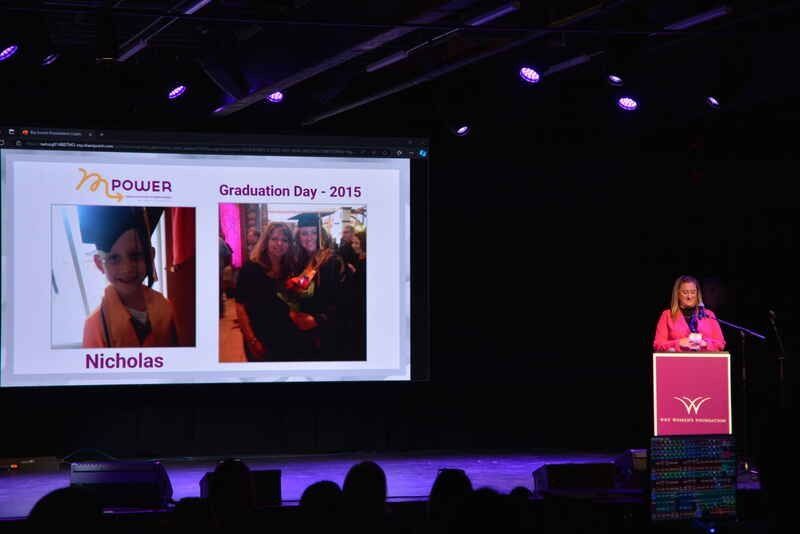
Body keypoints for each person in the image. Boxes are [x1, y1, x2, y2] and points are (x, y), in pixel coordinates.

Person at [78, 206, 179, 348]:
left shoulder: (165, 307)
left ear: (150, 256)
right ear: (100, 264)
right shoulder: (95, 326)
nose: (127, 268)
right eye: (113, 258)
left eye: (136, 255)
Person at [235, 222, 308, 361]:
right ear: (266, 240)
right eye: (274, 239)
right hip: (259, 336)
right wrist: (252, 340)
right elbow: (240, 306)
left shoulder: (290, 268)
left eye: (285, 240)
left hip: (285, 336)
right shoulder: (251, 268)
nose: (279, 243)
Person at [284, 212, 347, 359]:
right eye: (304, 234)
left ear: (321, 234)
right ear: (298, 237)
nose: (309, 238)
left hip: (327, 328)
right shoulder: (299, 261)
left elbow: (343, 299)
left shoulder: (332, 261)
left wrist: (319, 320)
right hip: (303, 326)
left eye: (313, 232)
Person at [653, 275, 726, 352]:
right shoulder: (667, 315)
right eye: (685, 292)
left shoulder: (709, 315)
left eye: (693, 292)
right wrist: (678, 343)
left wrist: (705, 344)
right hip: (677, 363)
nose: (689, 296)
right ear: (677, 294)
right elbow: (658, 345)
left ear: (697, 294)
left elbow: (720, 343)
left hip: (705, 362)